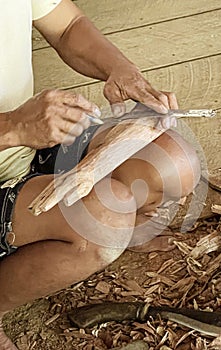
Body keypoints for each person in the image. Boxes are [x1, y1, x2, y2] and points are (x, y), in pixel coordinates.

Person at [0, 1, 201, 349]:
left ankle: (83, 238)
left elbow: (66, 25)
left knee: (171, 158)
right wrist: (13, 127)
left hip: (27, 144)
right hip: (13, 139)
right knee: (105, 217)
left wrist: (121, 70)